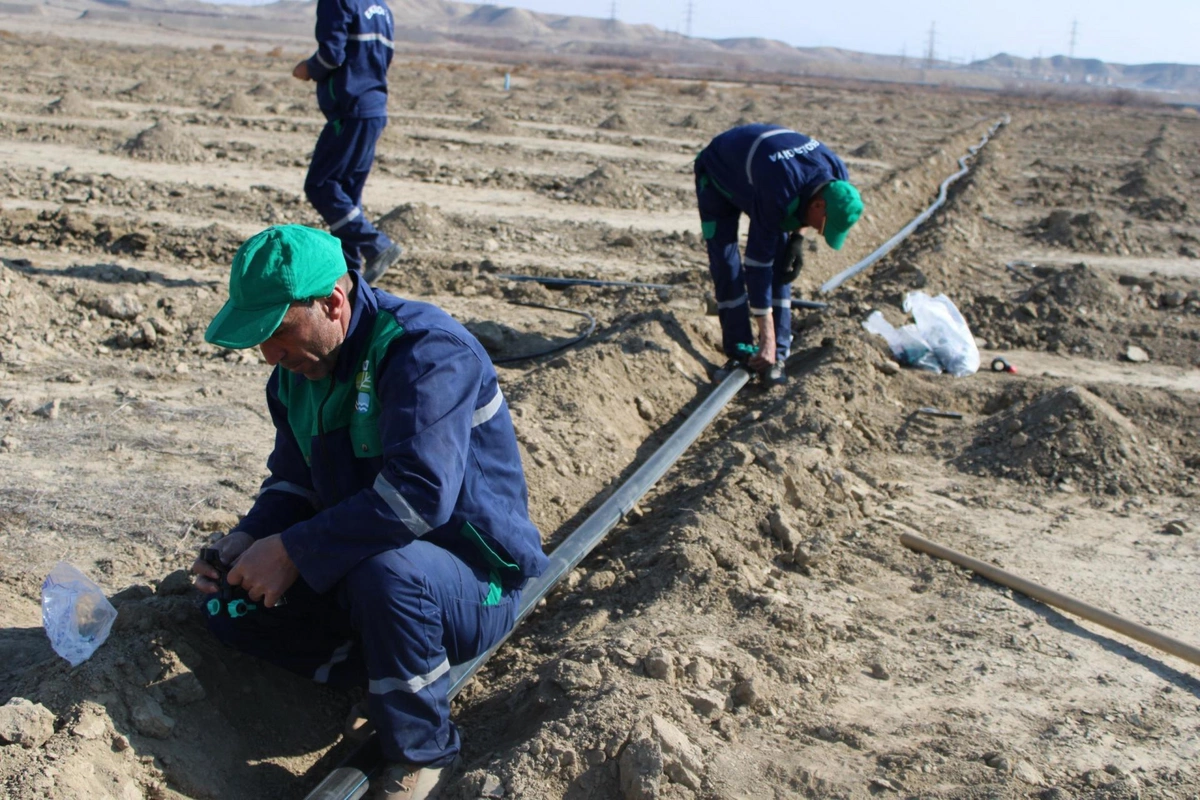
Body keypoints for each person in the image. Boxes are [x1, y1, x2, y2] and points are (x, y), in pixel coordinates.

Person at [190, 225, 547, 800]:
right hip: (363, 564)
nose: (269, 354)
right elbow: (294, 480)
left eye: (278, 331)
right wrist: (250, 537)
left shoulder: (423, 352)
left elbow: (420, 494)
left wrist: (292, 551)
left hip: (472, 579)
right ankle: (373, 678)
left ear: (333, 301)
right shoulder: (295, 376)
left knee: (388, 577)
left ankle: (422, 750)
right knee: (226, 605)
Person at [694, 123, 864, 385]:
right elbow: (757, 265)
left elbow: (812, 196)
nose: (820, 232)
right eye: (822, 226)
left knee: (781, 261)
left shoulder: (836, 172)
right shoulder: (779, 191)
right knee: (727, 263)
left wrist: (796, 238)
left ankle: (778, 356)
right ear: (819, 206)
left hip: (764, 171)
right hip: (721, 171)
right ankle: (740, 349)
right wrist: (767, 337)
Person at [292, 0, 404, 284]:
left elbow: (331, 55)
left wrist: (309, 68)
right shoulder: (380, 7)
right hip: (373, 107)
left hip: (350, 109)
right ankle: (351, 277)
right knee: (346, 194)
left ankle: (377, 245)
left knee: (321, 185)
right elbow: (384, 58)